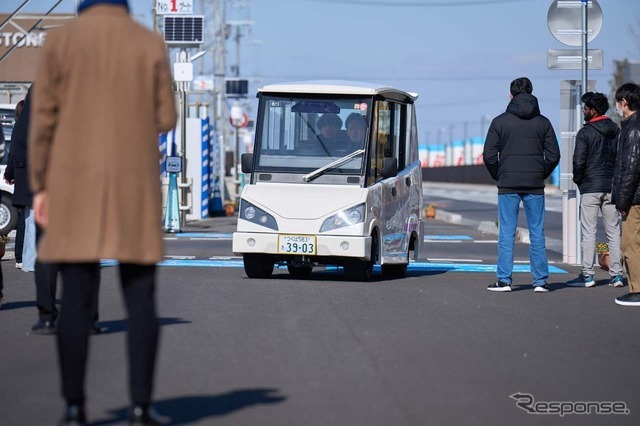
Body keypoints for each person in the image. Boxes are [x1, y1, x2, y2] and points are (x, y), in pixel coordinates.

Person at [28, 0, 178, 423]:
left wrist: (41, 185)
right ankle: (141, 407)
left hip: (73, 185)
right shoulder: (148, 43)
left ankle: (74, 408)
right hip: (133, 184)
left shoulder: (60, 42)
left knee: (74, 296)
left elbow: (42, 121)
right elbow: (166, 117)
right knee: (141, 296)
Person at [483, 77, 560, 293]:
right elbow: (554, 154)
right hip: (535, 184)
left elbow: (489, 155)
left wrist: (500, 175)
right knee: (537, 232)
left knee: (506, 232)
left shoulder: (500, 122)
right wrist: (540, 173)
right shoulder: (543, 122)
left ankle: (504, 281)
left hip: (508, 184)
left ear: (511, 95)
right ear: (532, 93)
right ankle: (541, 282)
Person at [566, 92, 623, 288]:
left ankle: (588, 275)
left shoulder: (586, 132)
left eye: (585, 108)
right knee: (613, 232)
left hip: (590, 187)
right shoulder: (616, 130)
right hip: (611, 186)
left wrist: (579, 181)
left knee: (589, 232)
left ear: (593, 110)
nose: (583, 111)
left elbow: (578, 161)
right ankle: (616, 275)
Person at [611, 83, 640, 306]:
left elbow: (631, 168)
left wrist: (622, 200)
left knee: (629, 244)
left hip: (635, 198)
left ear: (625, 103)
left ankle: (636, 290)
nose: (617, 106)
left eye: (619, 102)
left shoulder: (633, 129)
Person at [3, 100, 26, 270]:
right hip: (28, 177)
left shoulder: (17, 128)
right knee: (27, 218)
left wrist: (9, 174)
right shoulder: (28, 128)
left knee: (22, 217)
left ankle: (20, 256)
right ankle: (23, 256)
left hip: (20, 176)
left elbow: (12, 155)